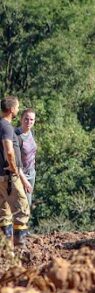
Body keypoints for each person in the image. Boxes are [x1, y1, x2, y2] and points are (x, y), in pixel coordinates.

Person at [0, 97, 32, 247]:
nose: (18, 110)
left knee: (4, 213)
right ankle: (20, 250)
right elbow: (9, 151)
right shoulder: (6, 127)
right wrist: (13, 168)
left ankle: (6, 252)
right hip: (8, 177)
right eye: (17, 108)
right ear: (12, 109)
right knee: (22, 209)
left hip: (1, 177)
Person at [15, 108, 36, 207]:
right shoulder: (16, 135)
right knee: (22, 205)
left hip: (31, 173)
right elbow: (13, 161)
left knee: (28, 203)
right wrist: (24, 180)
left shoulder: (32, 132)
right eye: (26, 119)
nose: (29, 122)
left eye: (31, 119)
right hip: (20, 175)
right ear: (21, 119)